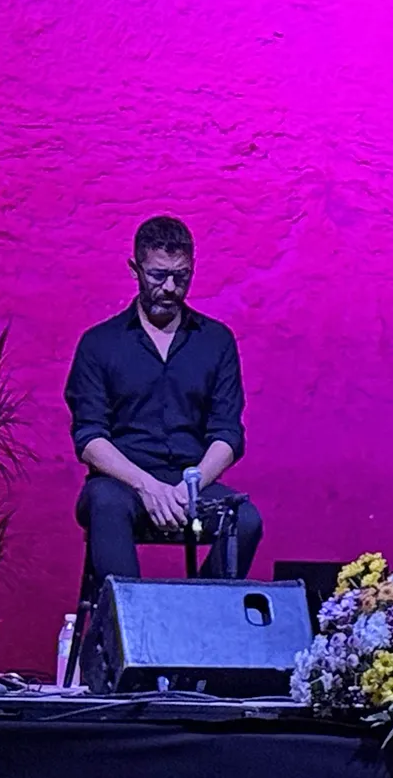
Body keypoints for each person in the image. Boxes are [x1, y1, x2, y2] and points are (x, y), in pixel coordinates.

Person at [65, 216, 261, 587]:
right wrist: (146, 486)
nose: (170, 288)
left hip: (191, 481)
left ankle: (199, 617)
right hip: (122, 481)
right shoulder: (99, 343)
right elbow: (89, 439)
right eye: (157, 276)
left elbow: (228, 434)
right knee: (105, 504)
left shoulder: (216, 341)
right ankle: (130, 629)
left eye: (181, 277)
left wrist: (191, 485)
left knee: (246, 519)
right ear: (135, 269)